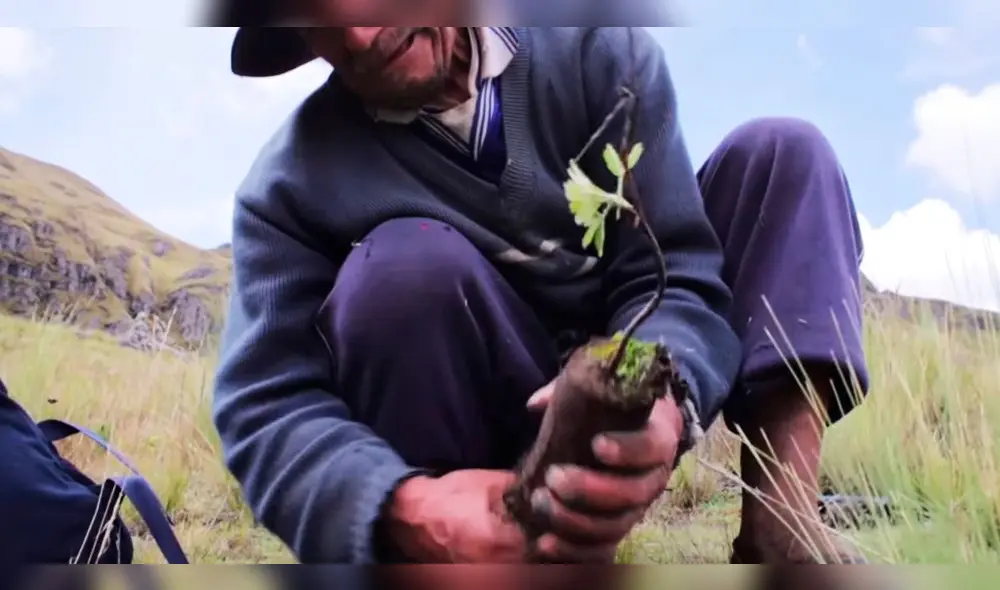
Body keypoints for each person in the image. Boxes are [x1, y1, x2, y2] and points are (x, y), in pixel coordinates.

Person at [211, 14, 869, 565]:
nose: (355, 33)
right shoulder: (288, 189)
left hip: (616, 386)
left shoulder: (599, 52)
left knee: (786, 155)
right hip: (467, 455)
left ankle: (782, 532)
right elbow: (266, 408)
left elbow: (671, 275)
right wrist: (409, 508)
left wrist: (654, 394)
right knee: (402, 270)